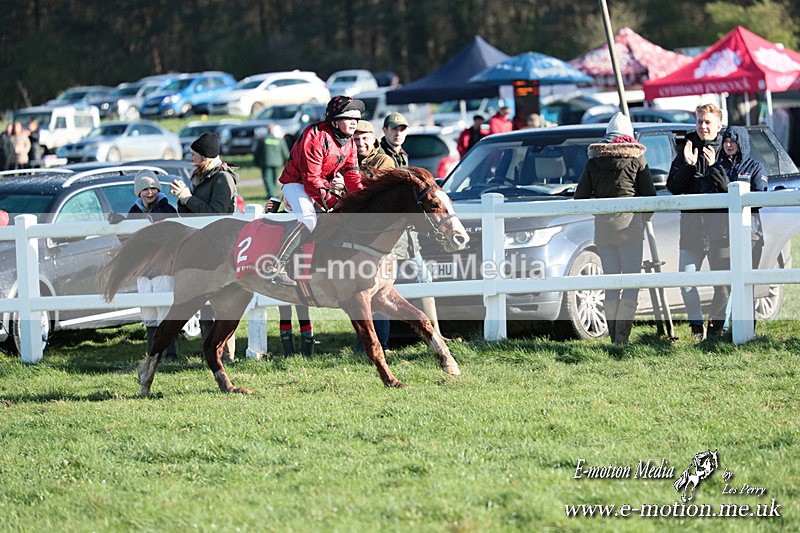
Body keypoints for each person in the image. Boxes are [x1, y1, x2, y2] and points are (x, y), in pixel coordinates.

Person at [575, 112, 656, 345]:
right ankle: (623, 337)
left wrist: (601, 213)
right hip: (631, 231)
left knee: (611, 284)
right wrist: (642, 219)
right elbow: (649, 197)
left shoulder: (594, 161)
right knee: (630, 284)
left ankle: (612, 337)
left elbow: (581, 197)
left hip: (603, 232)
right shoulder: (638, 160)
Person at [266, 95, 365, 287]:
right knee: (308, 220)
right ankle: (275, 265)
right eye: (348, 118)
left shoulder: (350, 142)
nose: (354, 123)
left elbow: (352, 176)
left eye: (356, 119)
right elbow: (311, 180)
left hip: (320, 185)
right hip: (296, 184)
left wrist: (361, 200)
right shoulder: (315, 135)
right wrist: (335, 203)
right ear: (335, 121)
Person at [169, 132, 240, 359]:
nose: (190, 158)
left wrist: (188, 197)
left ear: (205, 156)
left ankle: (227, 354)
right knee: (204, 300)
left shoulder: (223, 178)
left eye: (194, 154)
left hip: (220, 248)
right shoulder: (203, 174)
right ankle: (211, 350)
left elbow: (217, 213)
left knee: (223, 303)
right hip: (204, 245)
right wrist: (182, 198)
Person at [666, 103, 726, 341]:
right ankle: (695, 327)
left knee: (721, 285)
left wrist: (713, 167)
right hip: (691, 226)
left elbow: (727, 188)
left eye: (708, 122)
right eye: (700, 121)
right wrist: (688, 166)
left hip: (719, 228)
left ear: (718, 125)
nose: (703, 126)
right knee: (686, 280)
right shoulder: (687, 147)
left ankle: (716, 329)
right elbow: (673, 187)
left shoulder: (727, 148)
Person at [108, 170, 180, 361]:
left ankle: (170, 354)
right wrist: (121, 225)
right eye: (145, 189)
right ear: (138, 192)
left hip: (163, 268)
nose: (150, 193)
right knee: (148, 311)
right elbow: (129, 242)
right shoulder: (134, 212)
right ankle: (153, 353)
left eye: (153, 188)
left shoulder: (167, 210)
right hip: (143, 270)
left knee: (164, 310)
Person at [708, 125, 768, 328]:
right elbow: (706, 200)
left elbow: (759, 199)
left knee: (746, 286)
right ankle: (715, 333)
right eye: (725, 140)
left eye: (733, 141)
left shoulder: (756, 167)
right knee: (722, 287)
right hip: (720, 236)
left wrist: (731, 191)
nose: (728, 144)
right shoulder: (716, 168)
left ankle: (746, 330)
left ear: (741, 142)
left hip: (749, 235)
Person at [253, 123, 289, 199]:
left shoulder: (263, 140)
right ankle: (273, 193)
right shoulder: (279, 140)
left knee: (268, 179)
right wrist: (286, 162)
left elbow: (257, 152)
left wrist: (256, 162)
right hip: (277, 163)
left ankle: (271, 194)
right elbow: (285, 153)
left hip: (266, 162)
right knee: (274, 178)